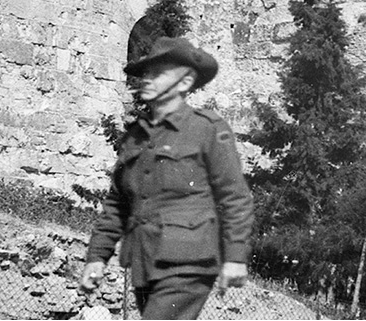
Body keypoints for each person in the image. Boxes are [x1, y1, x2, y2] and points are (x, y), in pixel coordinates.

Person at [80, 36, 254, 320]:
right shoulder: (135, 136)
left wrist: (235, 256)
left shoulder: (206, 129)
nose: (147, 79)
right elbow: (117, 204)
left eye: (158, 73)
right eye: (145, 72)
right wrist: (97, 257)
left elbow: (235, 198)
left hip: (189, 261)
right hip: (144, 261)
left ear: (185, 83)